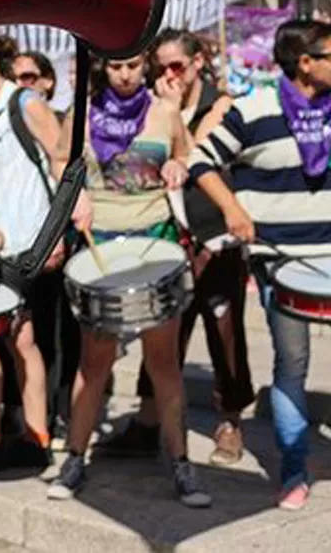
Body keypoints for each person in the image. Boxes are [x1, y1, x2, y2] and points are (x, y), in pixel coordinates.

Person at [190, 19, 331, 513]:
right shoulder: (253, 111)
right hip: (281, 261)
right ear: (304, 62)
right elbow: (201, 162)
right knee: (292, 366)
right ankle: (293, 470)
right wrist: (232, 208)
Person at [46, 50, 212, 507]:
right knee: (93, 363)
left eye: (134, 66)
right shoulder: (81, 111)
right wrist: (73, 196)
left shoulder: (165, 110)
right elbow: (62, 162)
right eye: (116, 66)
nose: (124, 74)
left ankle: (181, 465)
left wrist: (179, 164)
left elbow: (186, 154)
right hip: (99, 244)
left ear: (146, 68)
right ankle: (75, 459)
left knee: (164, 364)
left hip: (155, 240)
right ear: (104, 68)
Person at [103, 29, 253, 467]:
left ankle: (230, 420)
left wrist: (169, 111)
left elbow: (195, 153)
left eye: (177, 66)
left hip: (212, 232)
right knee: (163, 328)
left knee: (224, 328)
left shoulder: (219, 103)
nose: (168, 75)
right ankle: (150, 420)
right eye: (161, 66)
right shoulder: (153, 106)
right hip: (168, 233)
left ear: (197, 64)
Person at [0, 34, 91, 470]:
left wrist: (56, 232)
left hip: (33, 244)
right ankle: (10, 432)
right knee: (9, 337)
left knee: (19, 337)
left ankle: (33, 434)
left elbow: (60, 158)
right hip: (3, 247)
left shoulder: (26, 102)